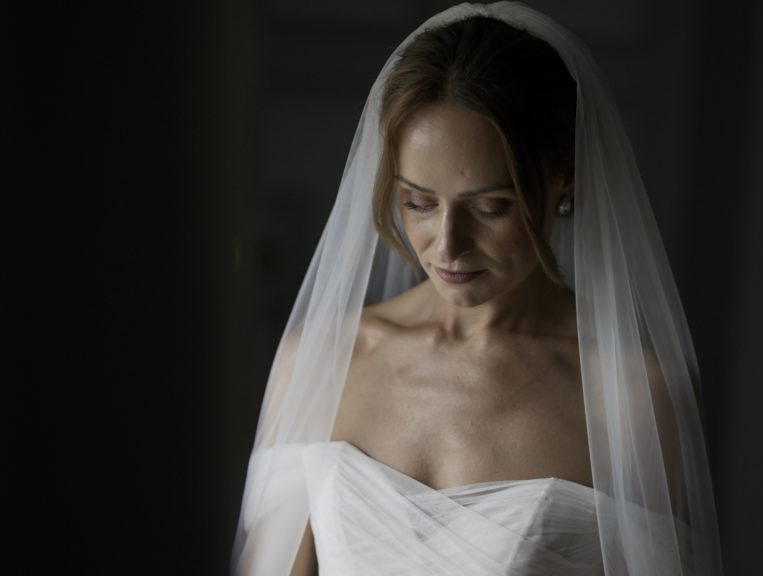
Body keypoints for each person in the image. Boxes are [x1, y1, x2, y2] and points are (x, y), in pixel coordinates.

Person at [230, 2, 724, 575]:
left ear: (566, 179)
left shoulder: (632, 397)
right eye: (418, 202)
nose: (447, 245)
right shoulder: (322, 362)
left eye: (491, 207)